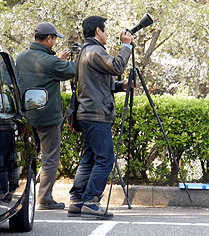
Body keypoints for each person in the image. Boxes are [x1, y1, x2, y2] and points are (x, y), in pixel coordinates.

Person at [68, 16, 132, 220]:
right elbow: (117, 67)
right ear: (97, 31)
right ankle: (91, 201)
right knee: (105, 159)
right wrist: (126, 46)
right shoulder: (95, 51)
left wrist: (121, 86)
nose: (107, 33)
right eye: (105, 30)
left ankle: (77, 200)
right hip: (96, 114)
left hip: (88, 112)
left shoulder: (86, 52)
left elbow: (98, 83)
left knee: (89, 158)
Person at [16, 22, 76, 210]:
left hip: (27, 116)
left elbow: (42, 71)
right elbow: (73, 70)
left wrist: (58, 59)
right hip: (47, 118)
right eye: (54, 38)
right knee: (50, 157)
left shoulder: (21, 57)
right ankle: (44, 199)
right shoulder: (52, 62)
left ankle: (25, 195)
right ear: (48, 38)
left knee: (29, 158)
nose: (55, 41)